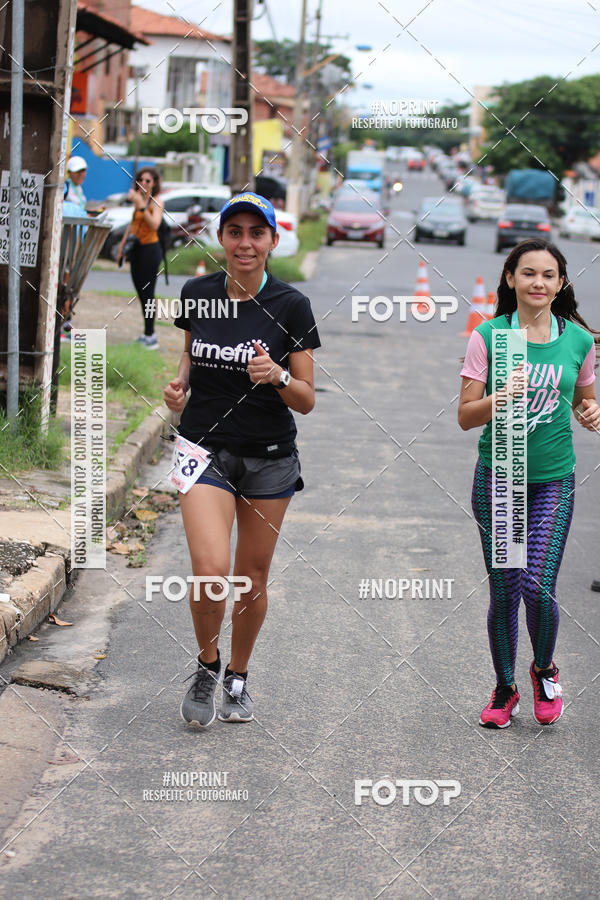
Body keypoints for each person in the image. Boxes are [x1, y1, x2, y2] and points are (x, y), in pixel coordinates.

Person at [163, 192, 321, 728]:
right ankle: (207, 667)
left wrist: (276, 376)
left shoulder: (290, 305)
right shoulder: (197, 293)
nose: (245, 243)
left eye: (257, 232)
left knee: (251, 578)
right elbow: (190, 351)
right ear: (221, 239)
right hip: (203, 449)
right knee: (210, 573)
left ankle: (238, 676)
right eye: (235, 232)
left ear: (273, 240)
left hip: (270, 458)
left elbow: (306, 397)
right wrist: (180, 384)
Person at [458, 239, 599, 728]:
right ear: (510, 278)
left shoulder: (578, 340)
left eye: (548, 275)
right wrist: (501, 395)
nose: (538, 283)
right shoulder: (491, 337)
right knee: (505, 591)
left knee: (537, 585)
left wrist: (590, 413)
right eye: (528, 273)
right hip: (501, 475)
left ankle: (543, 671)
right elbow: (464, 416)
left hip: (553, 479)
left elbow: (584, 400)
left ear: (561, 284)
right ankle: (504, 688)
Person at [117, 168, 164, 349]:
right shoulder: (137, 202)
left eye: (147, 181)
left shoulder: (156, 202)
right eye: (140, 180)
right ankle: (147, 334)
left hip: (150, 250)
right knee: (140, 293)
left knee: (148, 294)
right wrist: (121, 249)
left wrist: (142, 205)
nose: (143, 184)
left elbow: (154, 224)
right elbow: (131, 226)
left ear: (154, 184)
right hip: (136, 249)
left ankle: (151, 336)